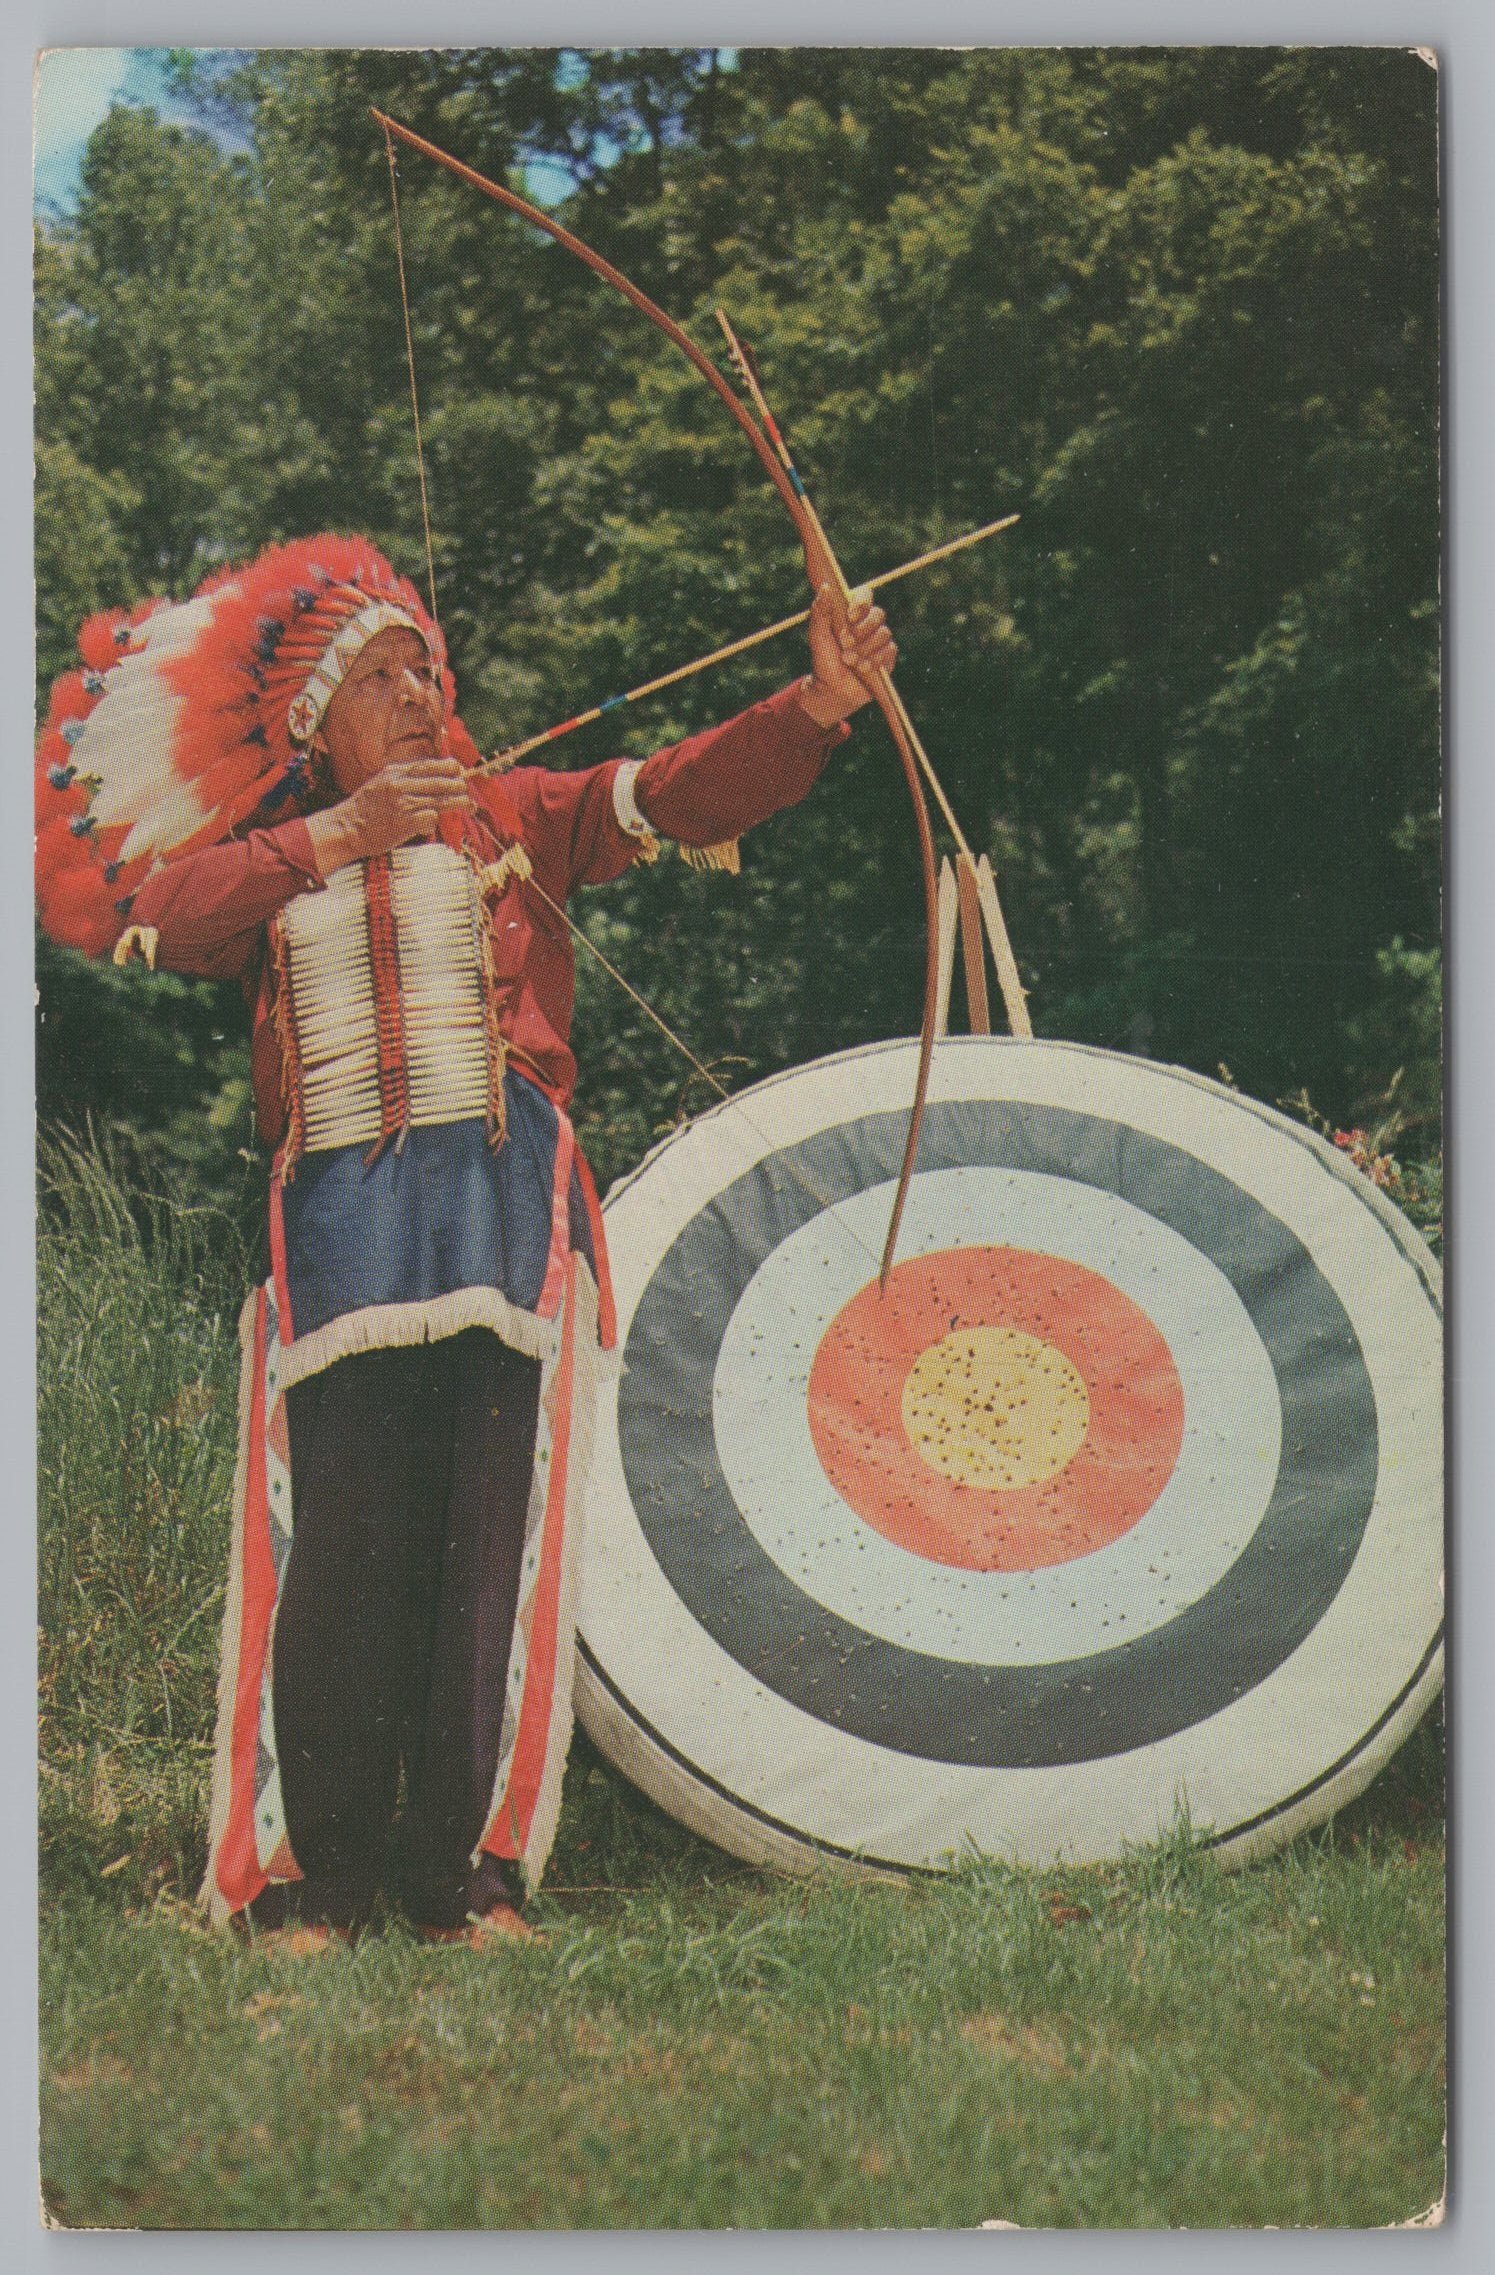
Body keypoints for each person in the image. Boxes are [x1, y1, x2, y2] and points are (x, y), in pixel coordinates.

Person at [36, 533, 895, 1947]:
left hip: (503, 1211)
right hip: (341, 1234)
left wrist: (814, 705)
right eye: (378, 681)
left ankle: (462, 1879)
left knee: (488, 1541)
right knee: (342, 1540)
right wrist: (340, 839)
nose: (419, 693)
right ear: (316, 728)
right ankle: (312, 1883)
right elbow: (164, 917)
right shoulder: (271, 853)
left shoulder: (516, 811)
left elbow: (673, 794)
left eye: (424, 669)